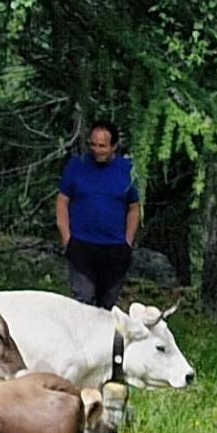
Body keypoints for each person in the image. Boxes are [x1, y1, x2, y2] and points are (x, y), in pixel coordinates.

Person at [56, 120, 141, 309]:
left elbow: (134, 207)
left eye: (102, 146)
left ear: (114, 146)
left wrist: (128, 242)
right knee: (83, 302)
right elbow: (62, 201)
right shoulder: (77, 166)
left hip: (115, 249)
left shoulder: (128, 170)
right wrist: (67, 239)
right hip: (81, 245)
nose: (96, 150)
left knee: (107, 306)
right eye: (93, 145)